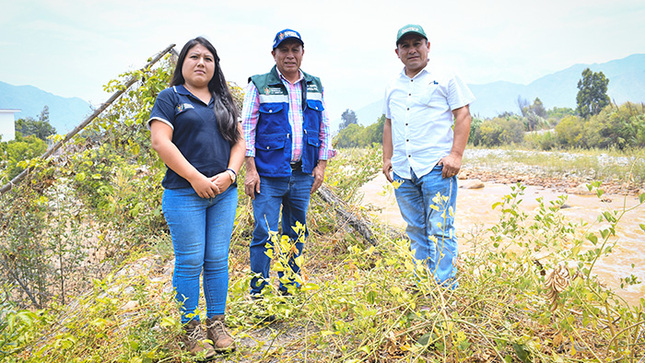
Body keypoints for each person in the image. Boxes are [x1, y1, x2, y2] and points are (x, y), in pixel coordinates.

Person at [148, 36, 244, 356]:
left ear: (215, 66)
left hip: (223, 194)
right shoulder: (170, 98)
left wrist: (231, 174)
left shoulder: (224, 101)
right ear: (183, 63)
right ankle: (191, 330)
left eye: (208, 58)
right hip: (183, 194)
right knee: (190, 262)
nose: (201, 62)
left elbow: (240, 144)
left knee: (216, 260)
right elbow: (161, 142)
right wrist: (195, 178)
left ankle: (217, 323)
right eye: (194, 57)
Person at [242, 28, 334, 299]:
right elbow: (246, 127)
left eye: (296, 50)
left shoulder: (315, 84)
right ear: (274, 54)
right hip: (269, 176)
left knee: (295, 233)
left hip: (303, 174)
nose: (290, 55)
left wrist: (321, 166)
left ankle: (289, 290)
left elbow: (324, 128)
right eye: (284, 50)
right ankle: (258, 293)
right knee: (264, 233)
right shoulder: (260, 84)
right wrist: (250, 170)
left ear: (303, 53)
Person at [382, 24, 475, 288]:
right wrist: (387, 159)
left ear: (428, 47)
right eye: (406, 46)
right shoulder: (393, 85)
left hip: (436, 168)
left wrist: (456, 155)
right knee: (414, 229)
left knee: (441, 228)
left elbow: (463, 114)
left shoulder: (446, 76)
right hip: (402, 169)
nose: (412, 50)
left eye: (417, 44)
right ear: (397, 51)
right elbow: (389, 123)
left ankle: (444, 289)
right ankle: (422, 284)